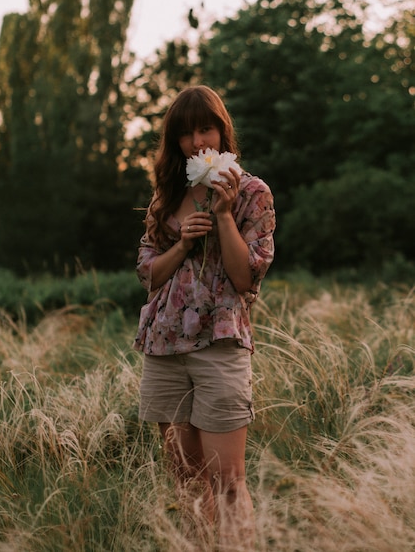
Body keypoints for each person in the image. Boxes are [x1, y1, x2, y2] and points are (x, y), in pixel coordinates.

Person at [133, 85, 275, 549]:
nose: (198, 141)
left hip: (220, 345)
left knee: (229, 481)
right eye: (187, 133)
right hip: (165, 346)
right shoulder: (167, 194)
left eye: (206, 128)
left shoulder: (252, 192)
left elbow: (245, 279)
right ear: (176, 141)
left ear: (222, 131)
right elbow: (148, 274)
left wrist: (225, 216)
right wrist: (183, 244)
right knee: (188, 484)